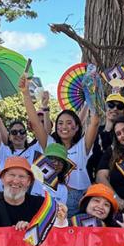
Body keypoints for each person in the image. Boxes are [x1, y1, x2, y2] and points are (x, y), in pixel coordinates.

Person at [22, 75, 99, 216]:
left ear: (77, 127)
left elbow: (94, 122)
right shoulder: (49, 143)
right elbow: (35, 122)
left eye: (69, 123)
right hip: (54, 196)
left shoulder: (83, 146)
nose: (64, 127)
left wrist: (92, 93)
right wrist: (26, 94)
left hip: (81, 197)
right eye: (60, 123)